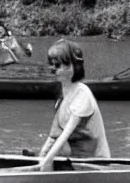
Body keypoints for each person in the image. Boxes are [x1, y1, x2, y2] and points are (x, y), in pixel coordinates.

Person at [35, 39, 110, 171]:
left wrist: (47, 161)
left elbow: (66, 134)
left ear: (72, 66)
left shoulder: (82, 94)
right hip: (72, 160)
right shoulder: (62, 93)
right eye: (52, 65)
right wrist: (41, 158)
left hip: (94, 163)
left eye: (57, 65)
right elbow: (54, 135)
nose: (53, 69)